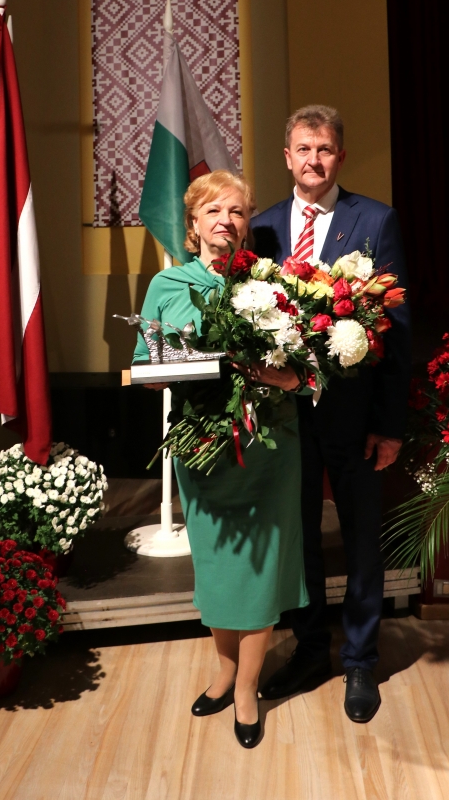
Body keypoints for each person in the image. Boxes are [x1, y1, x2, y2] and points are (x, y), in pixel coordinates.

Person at [132, 169, 308, 749]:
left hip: (267, 445)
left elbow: (304, 372)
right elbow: (145, 366)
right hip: (202, 445)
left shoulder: (273, 282)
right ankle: (226, 670)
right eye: (213, 211)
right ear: (193, 224)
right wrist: (169, 371)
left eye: (236, 211)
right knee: (216, 566)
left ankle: (247, 688)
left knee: (258, 566)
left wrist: (277, 375)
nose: (225, 221)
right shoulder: (167, 285)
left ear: (247, 221)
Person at [250, 104, 411, 724]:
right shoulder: (262, 228)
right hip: (286, 419)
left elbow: (395, 329)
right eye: (303, 149)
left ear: (339, 155)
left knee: (362, 538)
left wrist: (389, 425)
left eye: (324, 149)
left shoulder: (375, 220)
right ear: (287, 157)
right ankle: (312, 648)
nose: (313, 159)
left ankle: (361, 659)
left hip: (355, 416)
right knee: (300, 541)